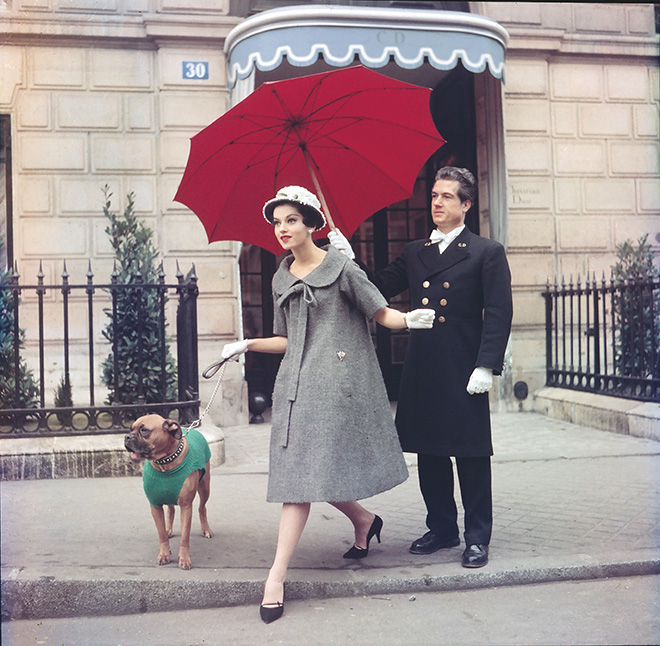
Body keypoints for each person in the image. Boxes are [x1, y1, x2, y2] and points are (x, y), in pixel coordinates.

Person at [220, 186, 435, 623]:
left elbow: (381, 312)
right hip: (295, 387)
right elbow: (286, 339)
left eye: (291, 221)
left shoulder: (341, 266)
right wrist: (247, 344)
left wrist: (410, 319)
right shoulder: (281, 277)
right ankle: (363, 520)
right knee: (309, 470)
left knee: (300, 479)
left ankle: (275, 578)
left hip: (336, 386)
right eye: (277, 222)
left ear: (311, 223)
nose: (282, 229)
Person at [329, 167, 513, 569]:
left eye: (447, 196)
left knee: (471, 454)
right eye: (433, 196)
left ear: (466, 205)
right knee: (430, 452)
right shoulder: (417, 252)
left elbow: (499, 312)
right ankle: (443, 528)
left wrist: (487, 366)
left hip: (464, 365)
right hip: (425, 364)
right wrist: (349, 259)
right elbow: (378, 286)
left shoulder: (486, 251)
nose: (437, 203)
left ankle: (477, 536)